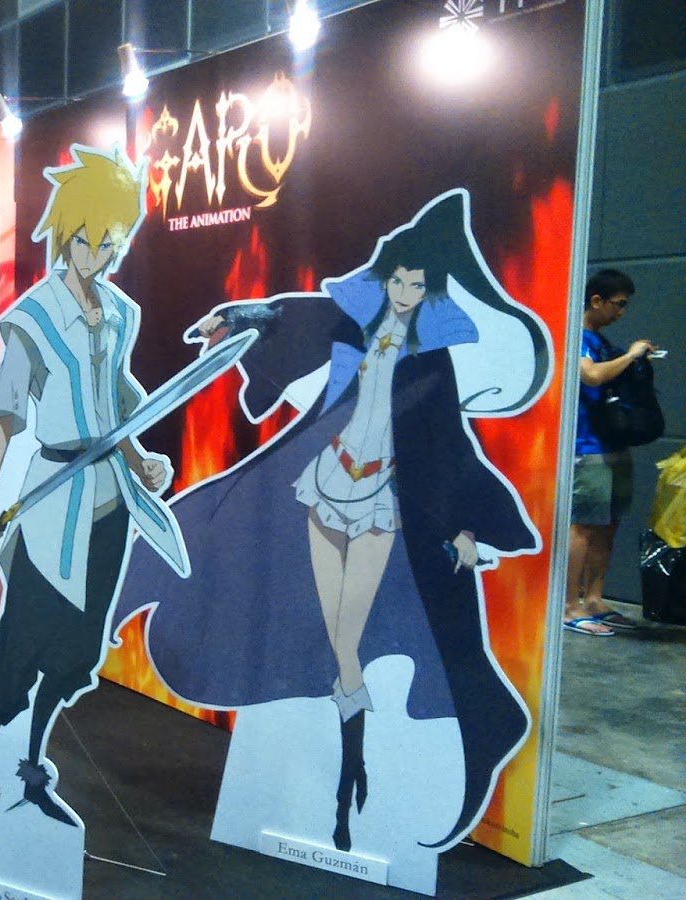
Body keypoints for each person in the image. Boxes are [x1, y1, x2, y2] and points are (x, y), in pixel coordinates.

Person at [114, 190, 547, 854]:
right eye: (398, 282)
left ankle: (358, 770)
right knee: (332, 631)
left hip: (380, 503)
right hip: (326, 487)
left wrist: (465, 524)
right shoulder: (354, 329)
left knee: (352, 632)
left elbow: (447, 446)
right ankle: (346, 767)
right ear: (386, 281)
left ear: (431, 293)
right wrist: (240, 315)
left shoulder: (431, 359)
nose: (404, 294)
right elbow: (297, 314)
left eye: (417, 286)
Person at [0, 145, 182, 864]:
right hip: (52, 503)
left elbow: (118, 395)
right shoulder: (36, 315)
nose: (101, 253)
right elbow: (3, 414)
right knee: (19, 649)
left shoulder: (117, 311)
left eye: (113, 241)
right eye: (91, 239)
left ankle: (31, 768)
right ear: (67, 232)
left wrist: (141, 458)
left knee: (78, 650)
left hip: (110, 496)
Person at [565, 268, 655, 635]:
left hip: (614, 444)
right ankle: (568, 606)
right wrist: (631, 354)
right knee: (585, 526)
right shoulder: (575, 336)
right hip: (587, 447)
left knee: (608, 525)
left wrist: (637, 362)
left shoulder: (603, 343)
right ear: (596, 301)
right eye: (617, 304)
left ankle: (594, 600)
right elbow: (590, 376)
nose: (621, 312)